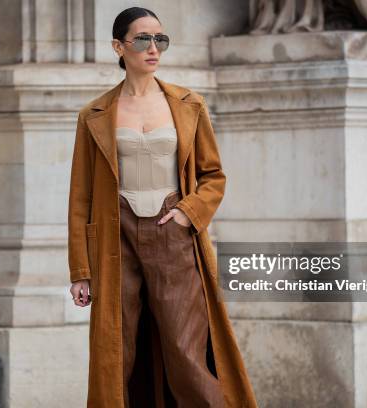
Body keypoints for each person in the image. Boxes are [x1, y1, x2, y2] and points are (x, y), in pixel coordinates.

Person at [68, 6, 258, 407]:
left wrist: (187, 214)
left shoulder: (189, 104)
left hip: (172, 232)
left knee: (185, 350)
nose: (153, 48)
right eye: (142, 39)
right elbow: (81, 198)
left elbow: (213, 176)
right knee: (117, 353)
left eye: (160, 39)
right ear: (118, 47)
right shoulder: (94, 115)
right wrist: (80, 272)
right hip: (115, 239)